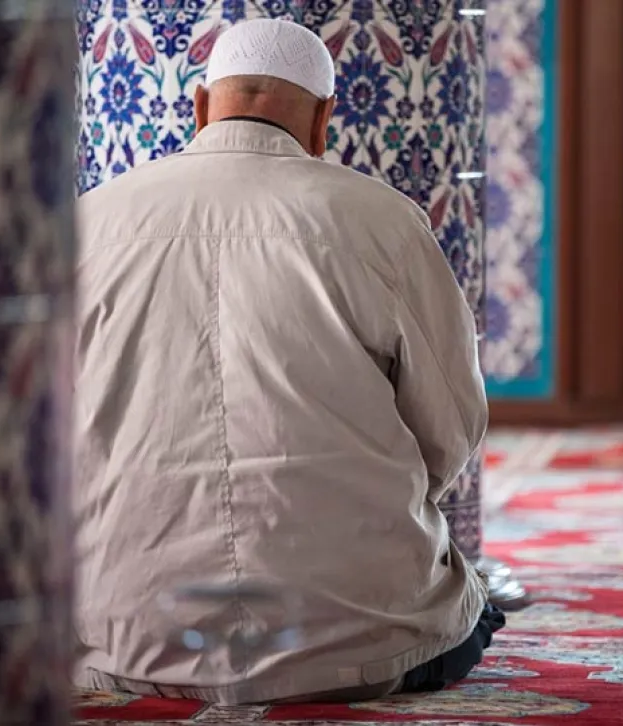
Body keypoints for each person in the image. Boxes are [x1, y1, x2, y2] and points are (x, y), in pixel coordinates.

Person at [72, 18, 502, 705]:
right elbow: (451, 424)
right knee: (471, 611)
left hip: (126, 638)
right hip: (360, 643)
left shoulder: (90, 222)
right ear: (323, 119)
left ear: (201, 108)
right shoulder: (383, 221)